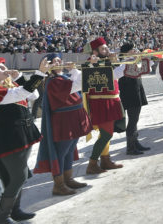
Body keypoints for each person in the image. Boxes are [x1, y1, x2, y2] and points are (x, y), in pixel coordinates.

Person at [0, 56, 45, 224]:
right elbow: (19, 94)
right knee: (18, 176)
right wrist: (39, 74)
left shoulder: (9, 84)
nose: (5, 69)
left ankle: (15, 210)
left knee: (20, 174)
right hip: (8, 139)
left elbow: (33, 94)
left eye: (4, 66)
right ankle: (2, 218)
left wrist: (17, 78)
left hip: (21, 135)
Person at [34, 53, 93, 194]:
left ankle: (68, 179)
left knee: (70, 150)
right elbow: (79, 84)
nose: (59, 62)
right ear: (48, 66)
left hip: (74, 117)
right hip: (64, 121)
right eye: (54, 61)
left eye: (59, 60)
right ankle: (58, 184)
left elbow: (77, 83)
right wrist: (76, 70)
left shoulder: (63, 78)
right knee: (61, 152)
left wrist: (73, 71)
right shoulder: (54, 81)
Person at [84, 37, 129, 172]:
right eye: (104, 48)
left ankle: (105, 160)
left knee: (108, 133)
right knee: (106, 134)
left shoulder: (105, 61)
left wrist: (114, 62)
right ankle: (92, 163)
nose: (107, 50)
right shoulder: (90, 64)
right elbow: (116, 75)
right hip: (101, 103)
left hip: (111, 100)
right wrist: (124, 62)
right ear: (95, 52)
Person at [118, 43, 151, 154]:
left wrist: (145, 58)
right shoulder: (124, 63)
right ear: (127, 52)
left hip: (136, 91)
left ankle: (135, 143)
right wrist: (140, 58)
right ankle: (130, 147)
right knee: (132, 121)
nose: (135, 51)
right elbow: (135, 71)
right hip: (129, 93)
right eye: (133, 50)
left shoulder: (132, 61)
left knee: (135, 120)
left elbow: (145, 70)